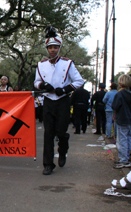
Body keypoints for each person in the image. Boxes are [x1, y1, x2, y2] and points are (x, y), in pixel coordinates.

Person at [34, 26, 84, 175]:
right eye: (50, 47)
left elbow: (79, 81)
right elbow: (36, 82)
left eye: (55, 47)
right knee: (48, 133)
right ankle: (48, 164)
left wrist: (66, 89)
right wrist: (43, 85)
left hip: (62, 101)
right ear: (47, 49)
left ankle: (63, 150)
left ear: (59, 48)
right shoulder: (41, 64)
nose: (53, 50)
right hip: (48, 100)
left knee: (61, 132)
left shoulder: (68, 63)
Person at [112, 74, 131, 169]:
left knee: (121, 140)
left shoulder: (119, 94)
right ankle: (126, 158)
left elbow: (115, 106)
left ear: (120, 83)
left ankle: (123, 159)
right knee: (129, 138)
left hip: (121, 118)